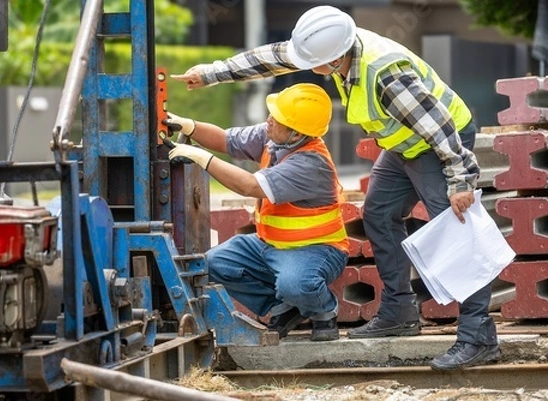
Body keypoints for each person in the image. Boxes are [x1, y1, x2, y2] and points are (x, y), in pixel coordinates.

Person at [170, 5, 501, 370]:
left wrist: (460, 180)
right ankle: (399, 311)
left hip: (439, 144)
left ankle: (478, 336)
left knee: (454, 229)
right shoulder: (333, 46)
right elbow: (274, 58)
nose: (311, 69)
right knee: (378, 213)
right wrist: (211, 74)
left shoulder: (387, 75)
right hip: (405, 143)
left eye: (317, 64)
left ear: (336, 56)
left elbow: (441, 130)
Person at [163, 83, 350, 342]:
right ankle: (282, 308)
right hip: (269, 245)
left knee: (295, 284)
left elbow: (248, 185)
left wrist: (202, 159)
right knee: (213, 264)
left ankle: (323, 311)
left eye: (278, 118)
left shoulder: (310, 164)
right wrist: (189, 126)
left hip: (316, 250)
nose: (269, 120)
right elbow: (226, 140)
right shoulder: (272, 137)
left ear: (296, 134)